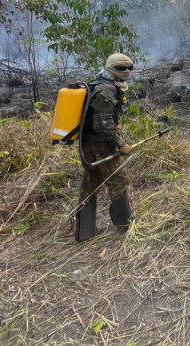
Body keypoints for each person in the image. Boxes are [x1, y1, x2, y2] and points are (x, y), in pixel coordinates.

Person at [75, 53, 135, 242]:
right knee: (118, 180)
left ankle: (85, 232)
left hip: (90, 142)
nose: (126, 71)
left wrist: (116, 124)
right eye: (121, 68)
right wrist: (120, 144)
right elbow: (102, 124)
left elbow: (107, 117)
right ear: (111, 68)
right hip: (100, 144)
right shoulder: (106, 89)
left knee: (91, 183)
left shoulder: (106, 84)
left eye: (129, 68)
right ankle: (125, 226)